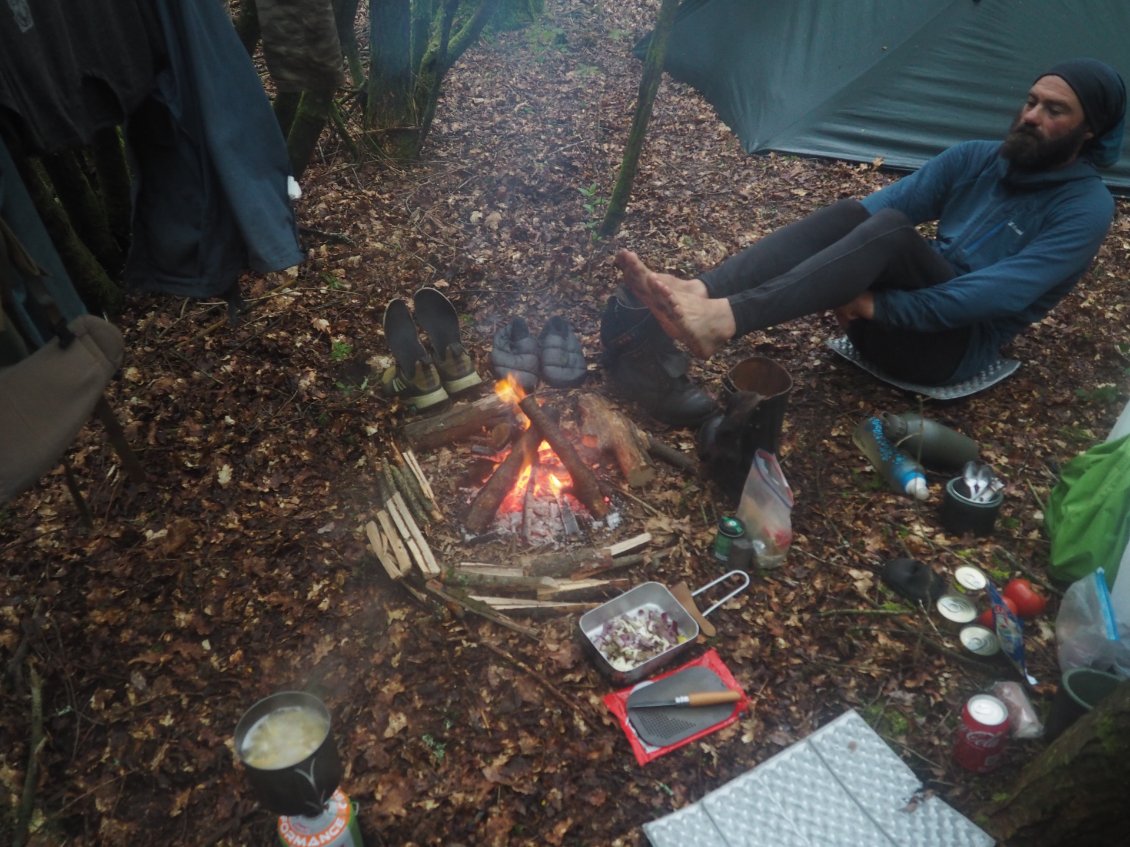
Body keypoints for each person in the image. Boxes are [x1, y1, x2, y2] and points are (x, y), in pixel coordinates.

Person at [600, 58, 1126, 426]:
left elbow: (994, 297)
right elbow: (866, 216)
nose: (1032, 117)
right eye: (1031, 101)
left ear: (1089, 133)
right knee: (854, 213)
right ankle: (702, 290)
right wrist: (847, 280)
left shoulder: (1084, 208)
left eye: (1055, 111)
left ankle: (725, 320)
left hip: (945, 352)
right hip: (876, 328)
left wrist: (874, 303)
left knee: (890, 233)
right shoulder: (978, 158)